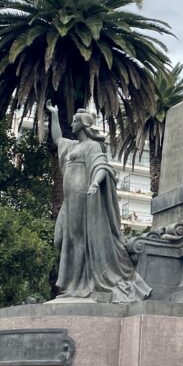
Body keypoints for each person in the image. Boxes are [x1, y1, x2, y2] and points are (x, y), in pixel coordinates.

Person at [47, 102, 151, 302]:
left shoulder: (92, 146)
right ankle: (75, 283)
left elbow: (101, 166)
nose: (73, 123)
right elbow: (57, 138)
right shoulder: (72, 145)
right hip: (69, 201)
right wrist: (54, 114)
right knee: (60, 239)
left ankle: (76, 287)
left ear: (84, 125)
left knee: (77, 240)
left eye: (76, 121)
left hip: (82, 197)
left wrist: (94, 184)